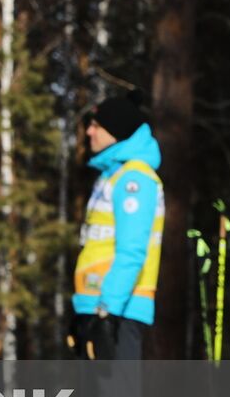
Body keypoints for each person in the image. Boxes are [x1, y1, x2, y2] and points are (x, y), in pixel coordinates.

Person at [70, 92, 164, 362]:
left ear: (116, 131)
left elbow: (132, 251)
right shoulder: (112, 176)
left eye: (96, 126)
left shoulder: (133, 179)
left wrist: (106, 311)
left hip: (118, 310)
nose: (89, 132)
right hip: (97, 307)